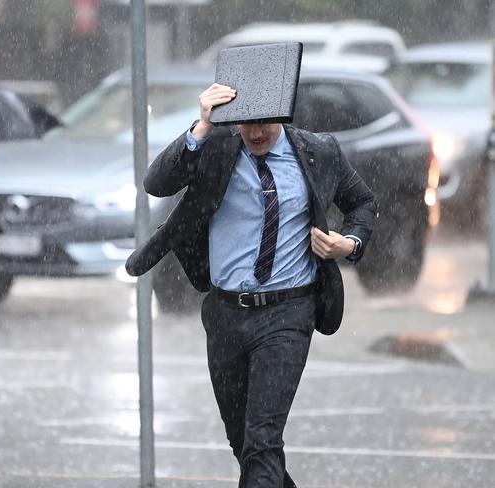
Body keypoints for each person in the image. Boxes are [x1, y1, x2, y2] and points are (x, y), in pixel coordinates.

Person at [126, 83, 377, 487]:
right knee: (243, 441)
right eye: (246, 123)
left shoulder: (317, 152)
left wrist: (348, 244)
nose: (255, 132)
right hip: (225, 314)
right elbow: (157, 182)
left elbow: (362, 202)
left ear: (283, 114)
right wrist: (202, 127)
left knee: (262, 440)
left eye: (264, 122)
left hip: (288, 313)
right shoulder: (217, 148)